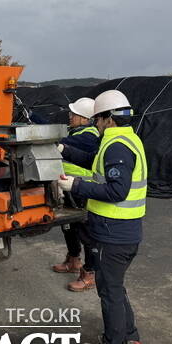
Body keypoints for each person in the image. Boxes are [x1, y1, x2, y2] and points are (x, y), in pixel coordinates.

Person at [58, 89, 147, 344]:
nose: (95, 124)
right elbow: (94, 162)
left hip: (113, 232)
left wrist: (76, 186)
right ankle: (130, 338)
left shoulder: (117, 146)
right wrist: (63, 150)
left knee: (108, 291)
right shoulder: (125, 139)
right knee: (116, 287)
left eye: (97, 119)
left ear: (108, 118)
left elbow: (117, 190)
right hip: (126, 230)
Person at [52, 98, 100, 293]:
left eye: (74, 114)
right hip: (70, 187)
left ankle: (89, 272)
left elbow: (62, 141)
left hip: (83, 189)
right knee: (68, 227)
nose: (70, 116)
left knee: (86, 231)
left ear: (85, 118)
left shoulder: (88, 135)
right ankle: (73, 260)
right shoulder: (76, 132)